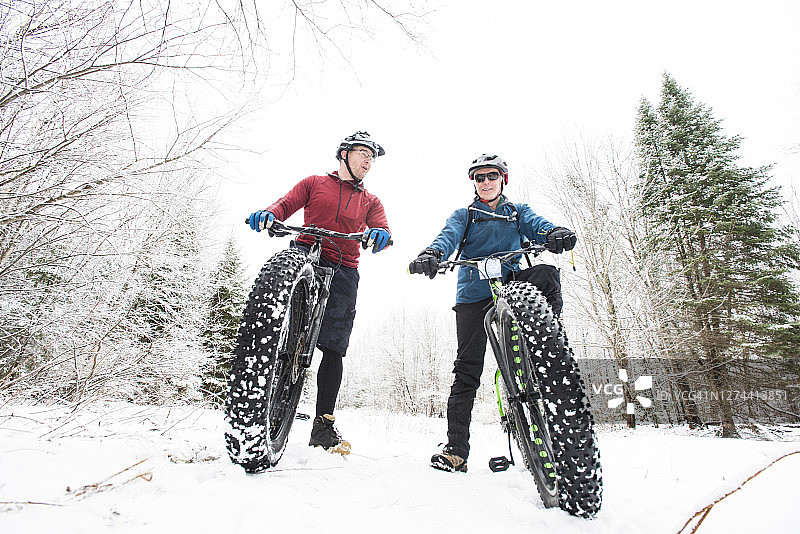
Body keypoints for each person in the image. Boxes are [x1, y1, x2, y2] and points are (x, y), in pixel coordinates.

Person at [408, 153, 576, 473]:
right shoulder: (465, 215)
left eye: (492, 176)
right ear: (474, 183)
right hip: (474, 294)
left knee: (547, 275)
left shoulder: (517, 212)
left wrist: (553, 233)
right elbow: (448, 237)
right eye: (479, 177)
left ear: (503, 179)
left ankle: (548, 339)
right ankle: (456, 449)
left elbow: (537, 226)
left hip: (513, 286)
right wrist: (433, 253)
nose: (486, 182)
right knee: (467, 369)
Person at [247, 131, 392, 455]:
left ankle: (323, 425)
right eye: (362, 153)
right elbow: (284, 205)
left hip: (344, 267)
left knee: (335, 348)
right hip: (306, 251)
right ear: (343, 154)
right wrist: (270, 214)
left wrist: (380, 235)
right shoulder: (314, 184)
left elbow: (381, 226)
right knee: (276, 301)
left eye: (372, 157)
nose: (369, 161)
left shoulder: (370, 201)